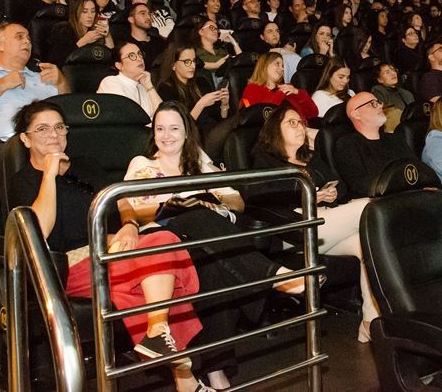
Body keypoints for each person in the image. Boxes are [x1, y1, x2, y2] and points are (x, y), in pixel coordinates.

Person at [8, 101, 208, 392]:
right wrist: (49, 174)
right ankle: (177, 363)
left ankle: (160, 336)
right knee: (162, 246)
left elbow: (121, 199)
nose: (54, 134)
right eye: (42, 128)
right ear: (25, 139)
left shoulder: (86, 165)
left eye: (59, 127)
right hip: (66, 265)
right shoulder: (23, 180)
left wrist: (129, 224)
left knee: (131, 288)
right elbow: (39, 230)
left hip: (113, 252)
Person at [123, 102, 309, 389]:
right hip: (165, 240)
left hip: (208, 240)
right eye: (160, 129)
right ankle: (275, 277)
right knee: (197, 218)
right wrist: (170, 202)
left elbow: (238, 200)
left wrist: (211, 198)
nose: (167, 135)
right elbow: (133, 210)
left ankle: (215, 372)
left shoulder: (198, 160)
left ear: (186, 132)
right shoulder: (143, 164)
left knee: (216, 271)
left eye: (174, 128)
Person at [251, 103, 379, 342]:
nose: (299, 127)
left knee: (366, 244)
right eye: (291, 122)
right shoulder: (264, 159)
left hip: (326, 224)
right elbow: (263, 195)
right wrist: (307, 194)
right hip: (296, 227)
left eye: (301, 122)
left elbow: (341, 186)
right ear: (274, 130)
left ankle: (369, 323)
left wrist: (331, 194)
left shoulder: (310, 159)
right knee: (369, 208)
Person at [333, 92, 417, 200]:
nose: (381, 106)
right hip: (380, 202)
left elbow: (416, 168)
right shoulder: (347, 144)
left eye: (379, 102)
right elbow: (359, 185)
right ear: (356, 114)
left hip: (410, 196)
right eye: (372, 103)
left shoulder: (395, 139)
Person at [156, 43, 227, 134]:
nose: (193, 66)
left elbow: (219, 118)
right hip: (194, 137)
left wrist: (224, 105)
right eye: (187, 62)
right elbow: (179, 128)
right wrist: (201, 104)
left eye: (193, 61)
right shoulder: (166, 90)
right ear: (173, 65)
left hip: (214, 131)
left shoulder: (201, 82)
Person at [240, 52, 317, 121]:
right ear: (264, 65)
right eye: (277, 64)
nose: (282, 68)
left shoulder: (287, 88)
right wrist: (280, 94)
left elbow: (313, 113)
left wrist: (298, 93)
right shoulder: (252, 89)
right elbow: (261, 117)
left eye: (282, 65)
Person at [97, 41, 163, 118]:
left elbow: (162, 115)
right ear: (119, 65)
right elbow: (127, 117)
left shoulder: (142, 87)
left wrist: (149, 86)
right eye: (131, 55)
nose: (139, 59)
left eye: (139, 54)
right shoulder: (110, 82)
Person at [45, 0, 113, 66]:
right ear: (75, 13)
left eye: (93, 11)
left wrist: (107, 36)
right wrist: (84, 41)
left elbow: (112, 58)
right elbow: (61, 60)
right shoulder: (62, 29)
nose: (90, 16)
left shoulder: (95, 29)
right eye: (85, 11)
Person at [193, 19, 242, 87]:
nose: (215, 31)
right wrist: (215, 65)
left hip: (229, 82)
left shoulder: (221, 51)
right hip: (208, 85)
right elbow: (193, 64)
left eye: (217, 29)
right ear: (201, 31)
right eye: (212, 28)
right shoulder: (194, 51)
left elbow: (241, 60)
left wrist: (232, 41)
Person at [371, 62, 414, 133]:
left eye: (394, 70)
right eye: (387, 72)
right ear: (379, 79)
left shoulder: (407, 93)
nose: (393, 73)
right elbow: (383, 112)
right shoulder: (378, 90)